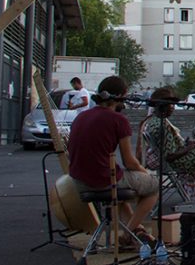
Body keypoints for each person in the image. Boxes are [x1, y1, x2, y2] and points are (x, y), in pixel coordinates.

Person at [67, 76, 158, 247]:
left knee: (122, 188)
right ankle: (128, 235)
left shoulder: (81, 117)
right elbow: (129, 161)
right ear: (121, 96)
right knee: (153, 186)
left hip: (78, 181)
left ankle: (137, 230)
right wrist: (144, 172)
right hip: (103, 181)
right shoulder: (118, 120)